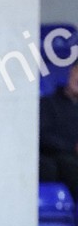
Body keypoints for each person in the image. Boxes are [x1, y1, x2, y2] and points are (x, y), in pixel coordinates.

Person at [40, 59, 78, 203]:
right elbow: (42, 136)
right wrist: (72, 147)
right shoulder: (48, 104)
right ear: (71, 72)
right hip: (59, 158)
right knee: (67, 164)